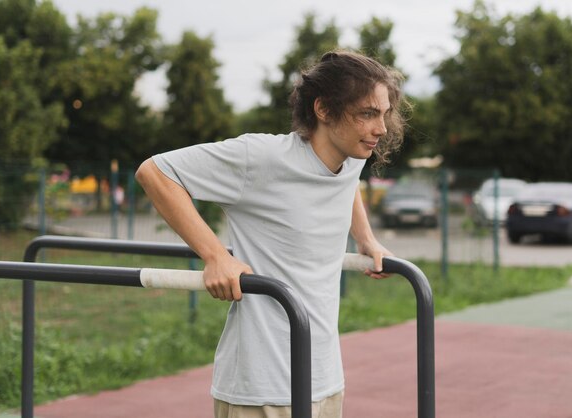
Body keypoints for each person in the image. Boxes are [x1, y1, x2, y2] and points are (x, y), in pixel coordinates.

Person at [135, 49, 408, 418]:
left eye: (384, 114)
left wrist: (366, 237)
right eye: (368, 114)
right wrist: (216, 256)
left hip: (325, 380)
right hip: (261, 391)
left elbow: (346, 184)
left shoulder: (351, 156)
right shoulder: (261, 158)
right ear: (324, 110)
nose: (382, 129)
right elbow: (155, 173)